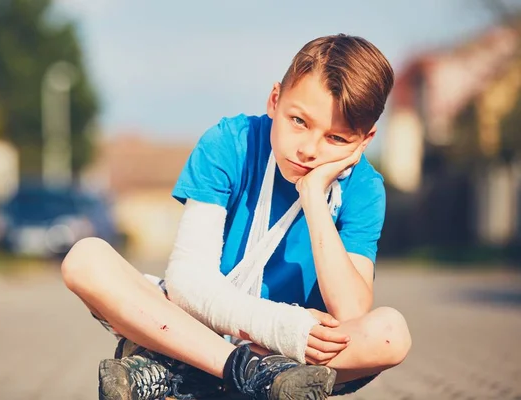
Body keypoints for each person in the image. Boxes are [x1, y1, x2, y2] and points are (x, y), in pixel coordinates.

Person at [61, 33, 412, 400]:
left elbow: (352, 311)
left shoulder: (364, 187)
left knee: (392, 333)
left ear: (364, 140)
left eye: (336, 139)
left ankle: (181, 373)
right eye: (298, 121)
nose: (309, 149)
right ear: (275, 99)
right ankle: (249, 376)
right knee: (84, 259)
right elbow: (187, 282)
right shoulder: (230, 142)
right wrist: (282, 326)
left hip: (286, 351)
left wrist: (312, 196)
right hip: (201, 327)